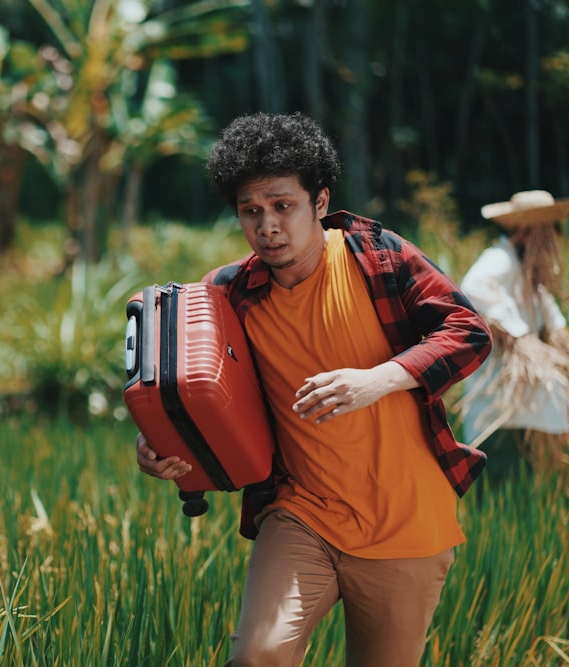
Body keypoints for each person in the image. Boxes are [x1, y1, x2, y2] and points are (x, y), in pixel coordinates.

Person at [134, 112, 493, 667]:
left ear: (320, 203)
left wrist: (380, 378)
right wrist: (159, 445)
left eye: (283, 206)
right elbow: (180, 387)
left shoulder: (378, 257)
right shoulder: (228, 294)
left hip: (409, 525)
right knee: (258, 655)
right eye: (250, 212)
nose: (267, 226)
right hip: (303, 513)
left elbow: (468, 332)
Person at [458, 190, 569, 474]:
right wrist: (519, 335)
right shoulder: (500, 259)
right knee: (500, 483)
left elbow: (550, 315)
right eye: (552, 232)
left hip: (523, 408)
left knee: (524, 481)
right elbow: (473, 286)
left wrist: (557, 335)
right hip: (498, 406)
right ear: (531, 233)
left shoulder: (528, 272)